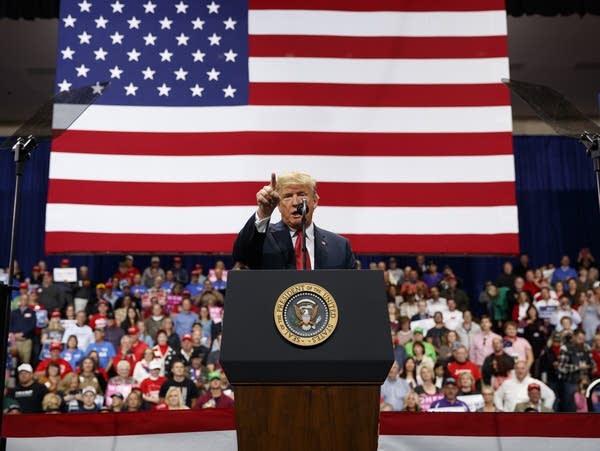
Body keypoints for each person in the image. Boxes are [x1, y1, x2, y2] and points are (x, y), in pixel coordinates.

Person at [232, 172, 355, 269]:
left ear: (315, 201)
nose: (296, 202)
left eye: (302, 194)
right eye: (287, 196)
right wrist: (263, 212)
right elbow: (241, 256)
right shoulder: (262, 240)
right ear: (278, 204)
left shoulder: (339, 246)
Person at [557, 329, 595, 412]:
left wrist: (592, 367)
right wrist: (578, 367)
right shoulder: (565, 348)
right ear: (573, 337)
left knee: (587, 407)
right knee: (570, 407)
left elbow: (592, 363)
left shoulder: (586, 347)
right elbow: (561, 367)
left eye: (583, 339)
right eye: (579, 338)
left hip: (585, 382)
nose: (581, 341)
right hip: (571, 382)